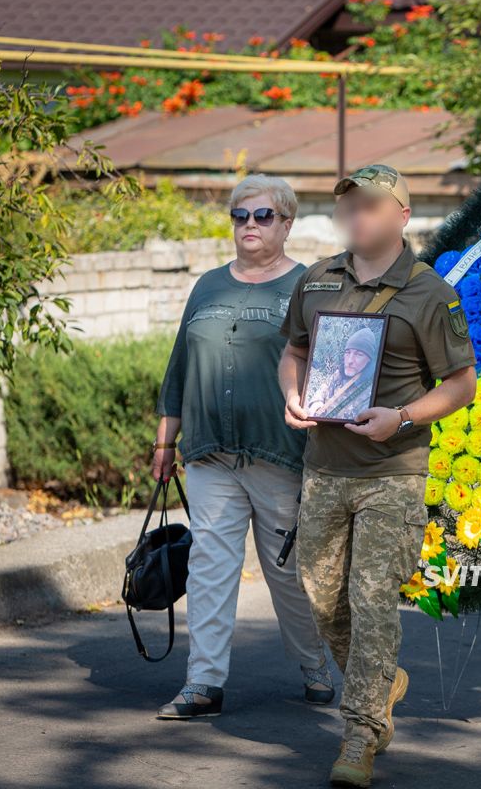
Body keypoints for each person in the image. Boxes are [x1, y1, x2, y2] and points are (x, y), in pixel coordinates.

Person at [278, 164, 477, 788]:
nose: (357, 215)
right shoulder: (316, 281)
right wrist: (292, 394)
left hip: (393, 469)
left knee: (370, 601)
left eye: (370, 205)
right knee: (320, 597)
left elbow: (462, 385)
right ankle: (383, 682)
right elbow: (294, 351)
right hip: (324, 467)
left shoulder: (429, 293)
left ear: (401, 216)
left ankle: (361, 731)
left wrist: (403, 416)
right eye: (350, 206)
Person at [153, 174, 332, 720]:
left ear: (286, 222)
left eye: (263, 216)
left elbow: (331, 369)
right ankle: (203, 683)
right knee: (209, 565)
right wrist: (166, 441)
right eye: (240, 216)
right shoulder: (207, 286)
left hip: (280, 456)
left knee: (288, 574)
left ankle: (314, 665)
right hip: (210, 454)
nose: (249, 225)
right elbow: (180, 367)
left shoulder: (308, 286)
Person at [306, 328, 378, 419]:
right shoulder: (339, 374)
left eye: (358, 354)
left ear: (368, 360)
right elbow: (322, 391)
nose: (350, 360)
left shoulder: (371, 390)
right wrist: (316, 405)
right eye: (348, 353)